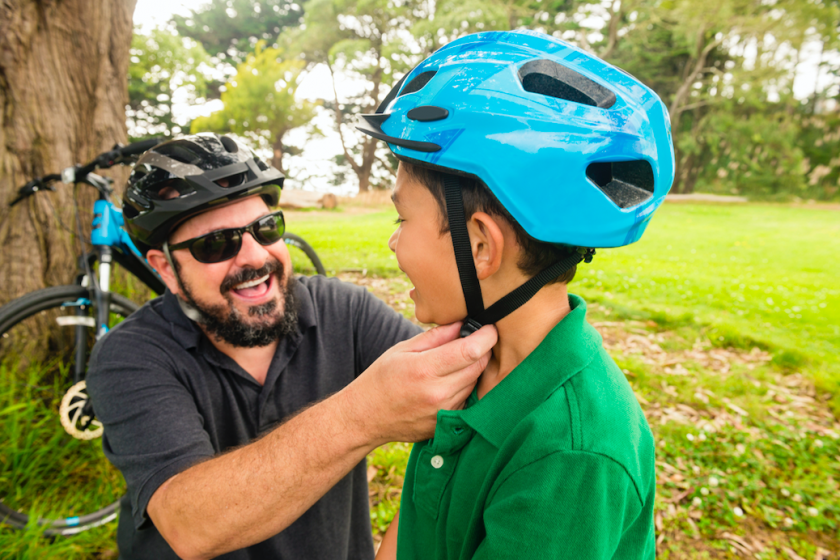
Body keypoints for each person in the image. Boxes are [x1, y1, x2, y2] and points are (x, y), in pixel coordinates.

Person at [85, 133, 498, 560]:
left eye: (266, 230)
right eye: (216, 245)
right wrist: (364, 413)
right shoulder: (130, 356)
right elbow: (189, 524)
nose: (254, 257)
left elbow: (476, 395)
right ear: (165, 271)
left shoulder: (343, 311)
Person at [355, 30, 674, 559]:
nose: (392, 241)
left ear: (481, 245)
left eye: (401, 217)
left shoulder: (570, 453)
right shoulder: (465, 361)